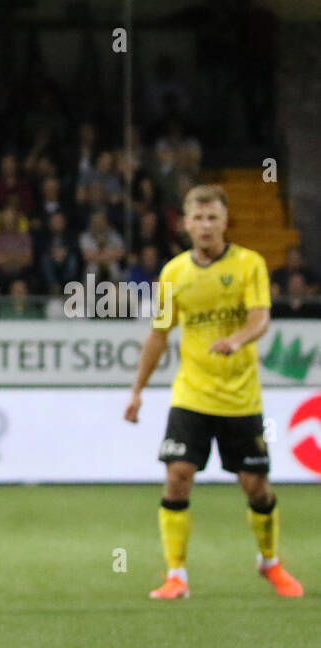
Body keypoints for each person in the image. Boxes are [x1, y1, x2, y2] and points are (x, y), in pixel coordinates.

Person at [125, 185, 302, 600]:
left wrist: (237, 340)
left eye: (213, 218)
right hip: (192, 394)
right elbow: (158, 336)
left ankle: (270, 562)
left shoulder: (249, 264)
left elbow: (260, 319)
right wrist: (137, 391)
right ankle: (177, 576)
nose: (205, 226)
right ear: (186, 223)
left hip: (241, 397)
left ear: (225, 221)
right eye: (197, 218)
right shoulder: (173, 273)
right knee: (177, 476)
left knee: (255, 485)